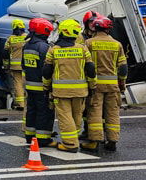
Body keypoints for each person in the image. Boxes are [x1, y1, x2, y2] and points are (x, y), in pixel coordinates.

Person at [42, 19, 96, 152]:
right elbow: (91, 69)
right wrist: (92, 86)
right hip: (81, 92)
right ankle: (73, 138)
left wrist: (46, 87)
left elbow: (47, 71)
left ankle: (70, 144)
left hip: (61, 92)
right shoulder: (83, 49)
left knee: (65, 116)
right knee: (77, 115)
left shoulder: (53, 50)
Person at [81, 16, 127, 153]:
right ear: (108, 29)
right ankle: (112, 140)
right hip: (113, 85)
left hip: (96, 85)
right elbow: (123, 67)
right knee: (112, 112)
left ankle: (94, 141)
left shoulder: (88, 43)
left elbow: (86, 66)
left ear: (95, 28)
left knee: (94, 112)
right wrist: (122, 83)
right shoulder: (117, 44)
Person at [22, 18, 56, 147]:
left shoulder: (27, 45)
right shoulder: (44, 47)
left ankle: (30, 136)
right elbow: (48, 68)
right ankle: (43, 139)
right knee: (44, 112)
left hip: (30, 85)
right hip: (42, 87)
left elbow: (23, 65)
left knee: (31, 110)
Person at [3, 19, 28, 110]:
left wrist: (6, 66)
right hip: (27, 65)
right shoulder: (27, 37)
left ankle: (21, 104)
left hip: (15, 66)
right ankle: (28, 103)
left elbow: (5, 53)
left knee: (18, 84)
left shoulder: (10, 39)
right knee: (27, 83)